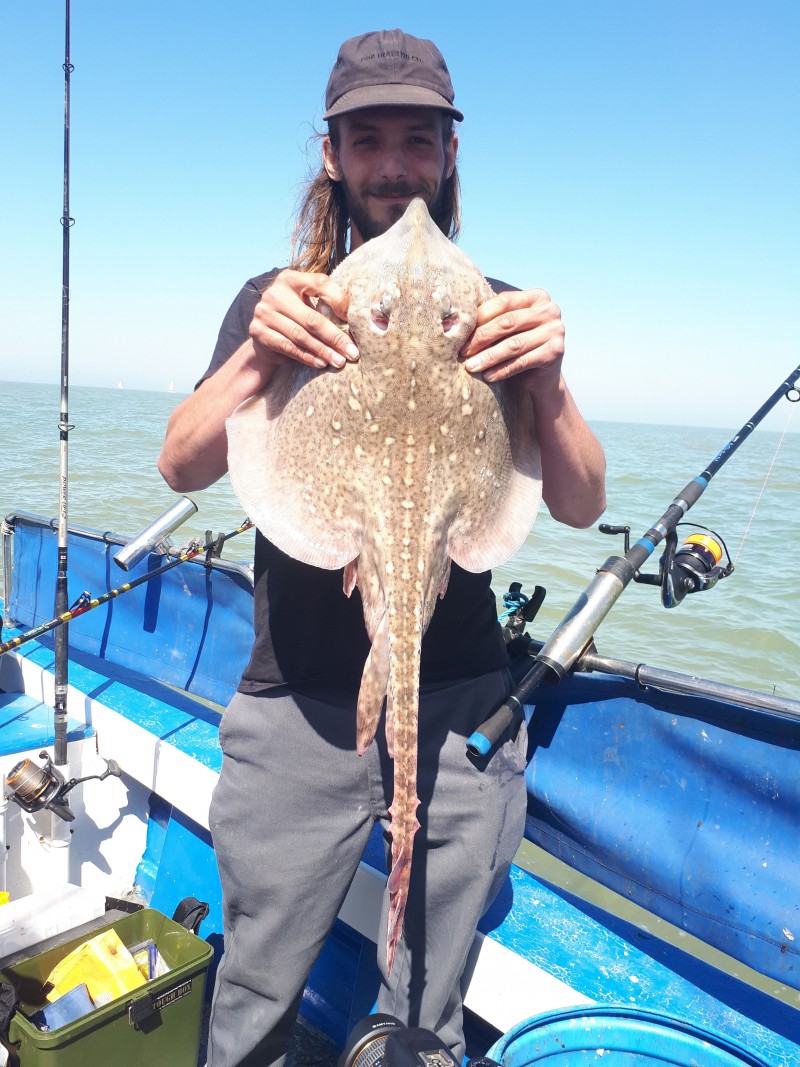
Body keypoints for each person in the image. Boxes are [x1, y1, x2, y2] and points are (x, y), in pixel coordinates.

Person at [159, 28, 606, 1067]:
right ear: (332, 154)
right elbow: (181, 466)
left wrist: (545, 379)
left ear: (450, 153)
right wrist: (259, 354)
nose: (394, 166)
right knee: (254, 987)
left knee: (426, 1017)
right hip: (294, 707)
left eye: (416, 140)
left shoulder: (494, 310)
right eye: (369, 141)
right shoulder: (279, 301)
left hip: (461, 709)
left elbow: (579, 504)